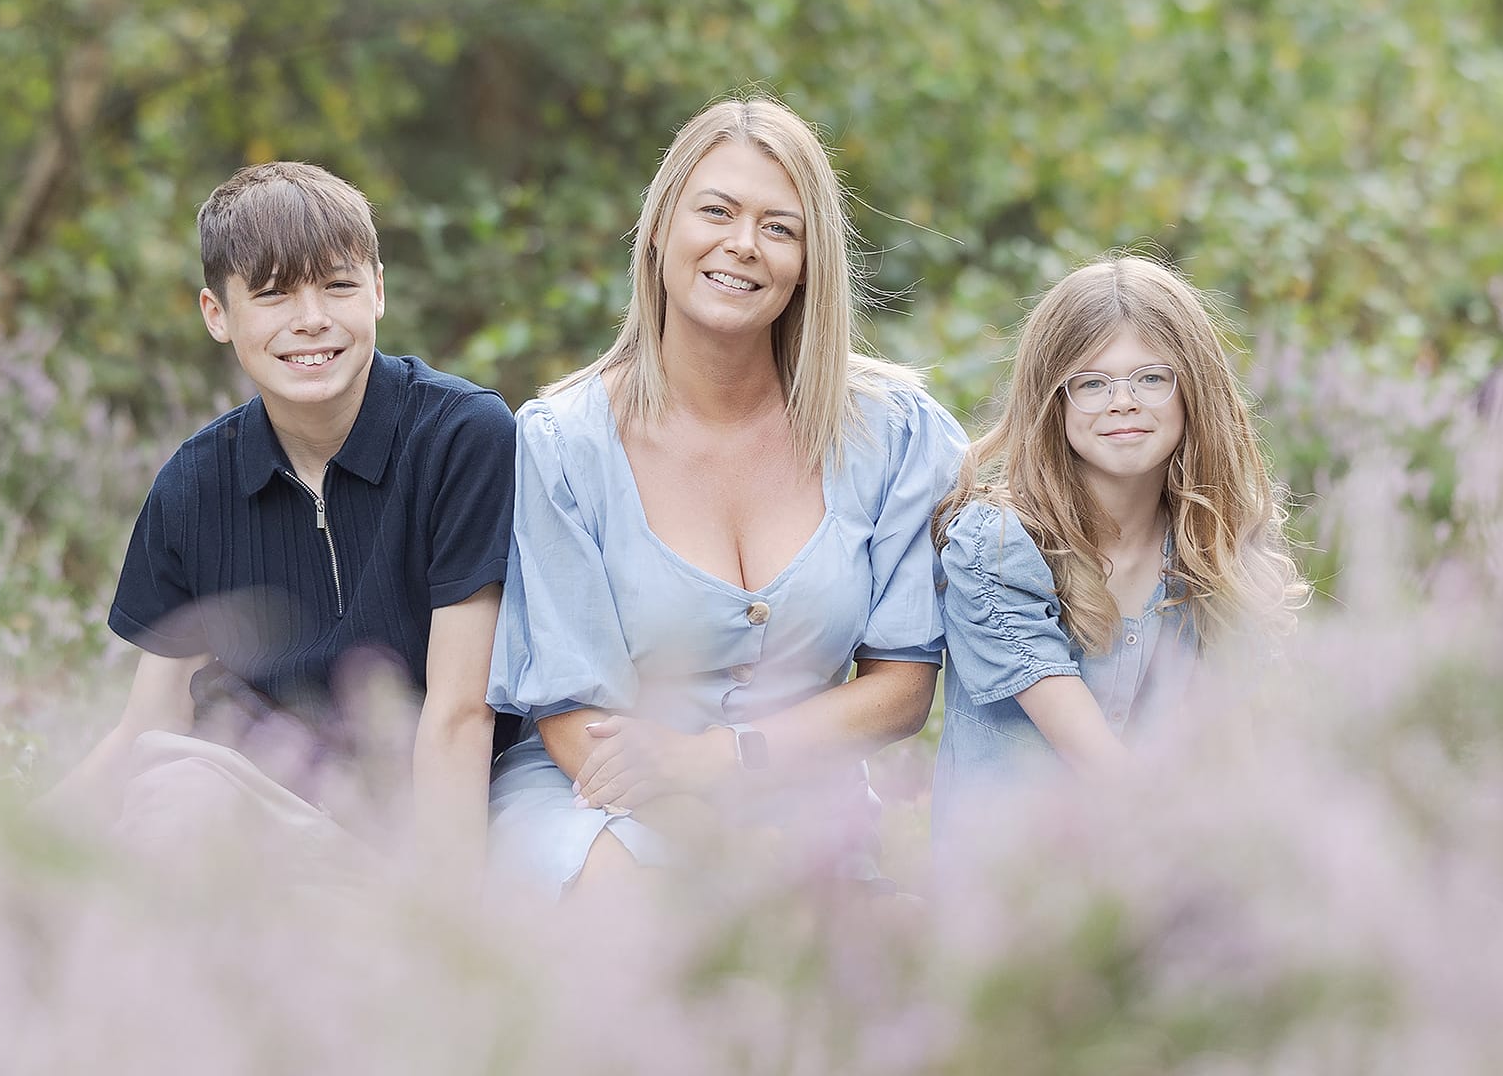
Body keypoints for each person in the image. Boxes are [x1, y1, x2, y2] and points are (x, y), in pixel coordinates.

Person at [486, 95, 967, 895]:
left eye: (779, 227)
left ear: (809, 261)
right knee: (635, 906)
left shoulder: (891, 433)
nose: (742, 245)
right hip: (597, 803)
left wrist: (726, 763)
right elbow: (571, 720)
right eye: (716, 211)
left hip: (799, 805)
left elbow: (902, 691)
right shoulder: (565, 443)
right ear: (663, 227)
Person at [47, 162, 515, 871]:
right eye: (272, 294)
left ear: (379, 291)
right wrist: (7, 852)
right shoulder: (194, 487)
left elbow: (460, 714)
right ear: (217, 314)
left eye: (338, 284)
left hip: (441, 825)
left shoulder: (460, 438)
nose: (312, 319)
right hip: (275, 824)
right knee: (176, 793)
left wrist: (441, 931)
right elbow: (151, 722)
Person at [933, 255, 1304, 815]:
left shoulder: (1211, 547)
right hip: (1019, 886)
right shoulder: (998, 546)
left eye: (1151, 378)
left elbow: (1235, 747)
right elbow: (1100, 768)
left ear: (1193, 393)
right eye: (1091, 382)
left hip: (1154, 876)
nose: (1122, 401)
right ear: (1052, 401)